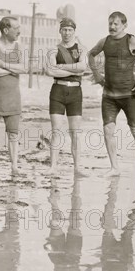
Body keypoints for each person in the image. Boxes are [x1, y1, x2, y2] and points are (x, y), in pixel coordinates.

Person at [88, 11, 135, 178]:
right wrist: (97, 74)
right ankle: (114, 168)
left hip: (129, 95)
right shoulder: (104, 41)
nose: (112, 27)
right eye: (110, 23)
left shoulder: (132, 41)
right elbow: (90, 54)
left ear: (124, 26)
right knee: (107, 130)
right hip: (109, 96)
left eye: (116, 24)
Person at [0, 16, 28, 175]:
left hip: (13, 98)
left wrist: (2, 64)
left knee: (13, 133)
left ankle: (14, 166)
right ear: (6, 30)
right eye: (16, 28)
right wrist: (12, 69)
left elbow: (24, 69)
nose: (19, 31)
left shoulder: (20, 48)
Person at [44, 18, 88, 177]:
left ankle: (77, 168)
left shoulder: (81, 49)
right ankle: (53, 166)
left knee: (75, 132)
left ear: (74, 31)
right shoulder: (53, 50)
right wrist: (74, 71)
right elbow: (50, 71)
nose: (67, 33)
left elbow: (83, 67)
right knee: (56, 131)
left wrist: (61, 67)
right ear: (60, 31)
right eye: (64, 30)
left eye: (70, 30)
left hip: (75, 93)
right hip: (58, 91)